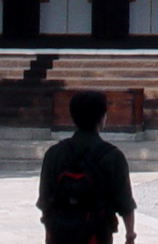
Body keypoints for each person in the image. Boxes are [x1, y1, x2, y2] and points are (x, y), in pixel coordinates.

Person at [38, 90, 137, 244]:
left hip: (60, 236)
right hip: (97, 236)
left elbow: (45, 201)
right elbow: (125, 203)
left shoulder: (54, 154)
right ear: (102, 118)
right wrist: (130, 235)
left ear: (73, 117)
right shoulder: (113, 156)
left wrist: (49, 233)